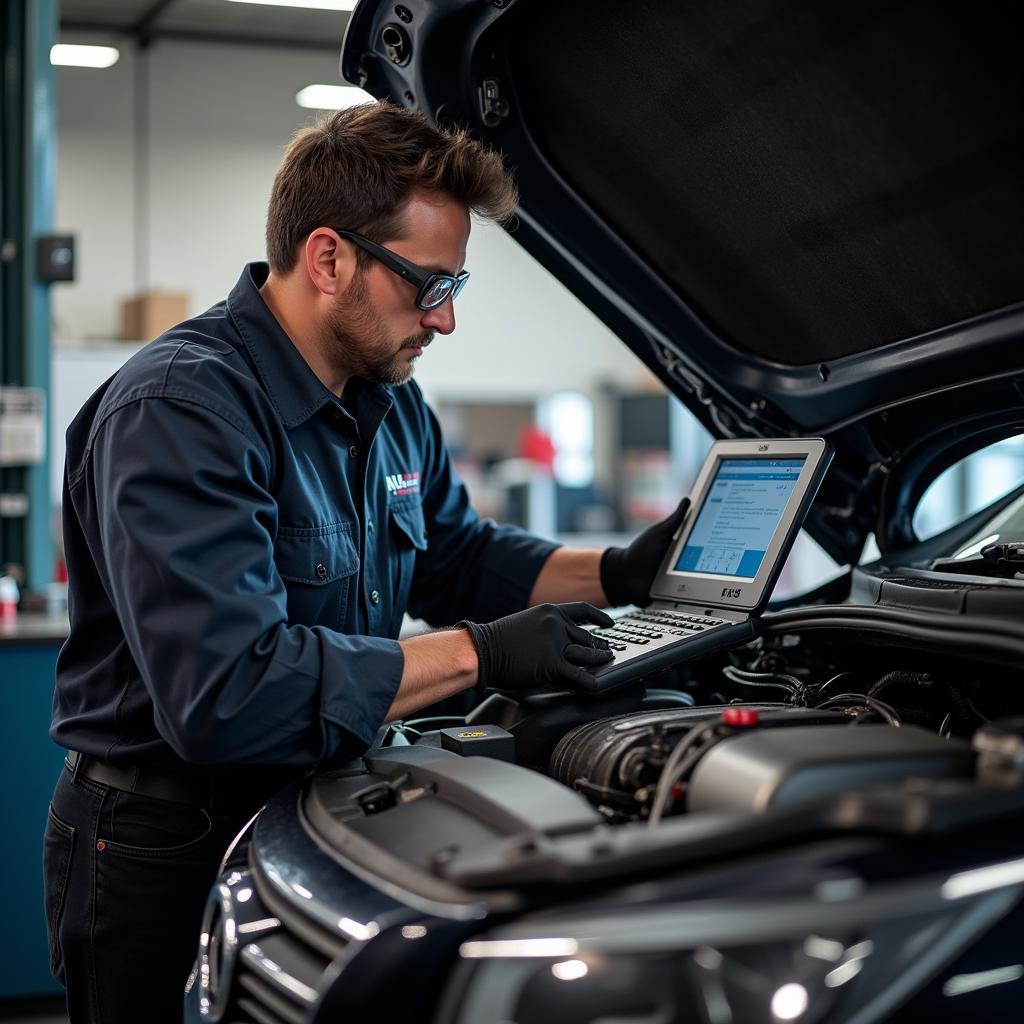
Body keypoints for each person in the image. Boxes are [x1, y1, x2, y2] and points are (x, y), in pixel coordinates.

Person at [43, 102, 688, 1022]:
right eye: (428, 283)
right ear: (329, 257)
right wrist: (483, 654)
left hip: (314, 805)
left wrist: (618, 572)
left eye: (455, 282)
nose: (448, 318)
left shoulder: (390, 405)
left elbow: (460, 557)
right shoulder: (182, 410)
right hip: (163, 840)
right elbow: (229, 693)